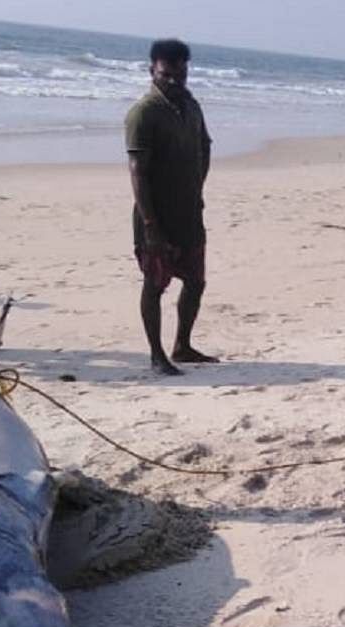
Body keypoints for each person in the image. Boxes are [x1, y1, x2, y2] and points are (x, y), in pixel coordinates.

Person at [125, 38, 218, 376]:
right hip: (156, 216)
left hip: (190, 212)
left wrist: (197, 188)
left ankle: (183, 345)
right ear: (152, 71)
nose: (175, 81)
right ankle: (156, 354)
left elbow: (204, 149)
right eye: (167, 75)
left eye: (181, 75)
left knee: (195, 281)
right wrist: (151, 223)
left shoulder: (192, 107)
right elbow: (137, 171)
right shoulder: (143, 113)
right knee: (155, 284)